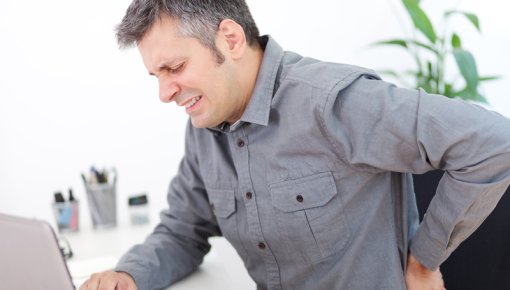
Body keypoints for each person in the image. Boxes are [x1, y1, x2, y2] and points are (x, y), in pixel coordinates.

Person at [79, 0, 510, 289]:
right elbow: (182, 231)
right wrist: (129, 275)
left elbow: (493, 143)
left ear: (229, 39)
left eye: (174, 68)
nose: (165, 93)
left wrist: (424, 259)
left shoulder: (335, 103)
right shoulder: (203, 128)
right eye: (157, 76)